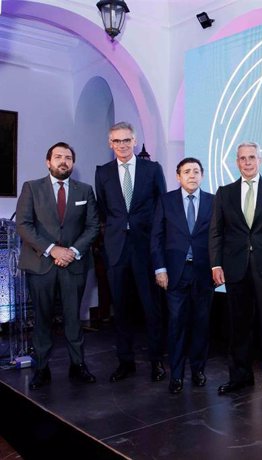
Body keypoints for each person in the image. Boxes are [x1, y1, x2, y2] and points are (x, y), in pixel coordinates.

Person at [209, 143, 262, 399]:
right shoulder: (225, 193)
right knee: (238, 326)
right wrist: (215, 263)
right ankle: (240, 377)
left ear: (261, 159)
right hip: (235, 268)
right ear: (236, 162)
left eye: (252, 157)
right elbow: (216, 231)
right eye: (242, 158)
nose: (247, 162)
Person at [16, 142, 99, 389]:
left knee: (74, 318)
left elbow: (93, 226)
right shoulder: (32, 188)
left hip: (74, 265)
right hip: (41, 265)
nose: (64, 161)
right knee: (42, 319)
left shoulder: (84, 190)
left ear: (73, 163)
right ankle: (41, 368)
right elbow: (24, 225)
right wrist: (53, 250)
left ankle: (78, 365)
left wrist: (72, 251)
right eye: (58, 156)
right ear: (48, 161)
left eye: (68, 157)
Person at [95, 122, 168, 383]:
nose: (122, 145)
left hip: (146, 248)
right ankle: (125, 362)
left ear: (135, 141)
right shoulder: (102, 173)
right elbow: (104, 210)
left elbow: (162, 208)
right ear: (110, 144)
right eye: (117, 141)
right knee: (121, 310)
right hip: (116, 250)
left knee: (152, 308)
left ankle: (157, 361)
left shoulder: (152, 169)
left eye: (126, 140)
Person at [151, 158, 214, 394]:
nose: (192, 175)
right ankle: (176, 375)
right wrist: (160, 269)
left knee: (201, 325)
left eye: (196, 171)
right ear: (178, 176)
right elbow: (156, 237)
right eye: (187, 171)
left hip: (203, 274)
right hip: (174, 274)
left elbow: (218, 238)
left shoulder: (213, 202)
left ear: (202, 175)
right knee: (176, 325)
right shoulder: (166, 201)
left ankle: (198, 370)